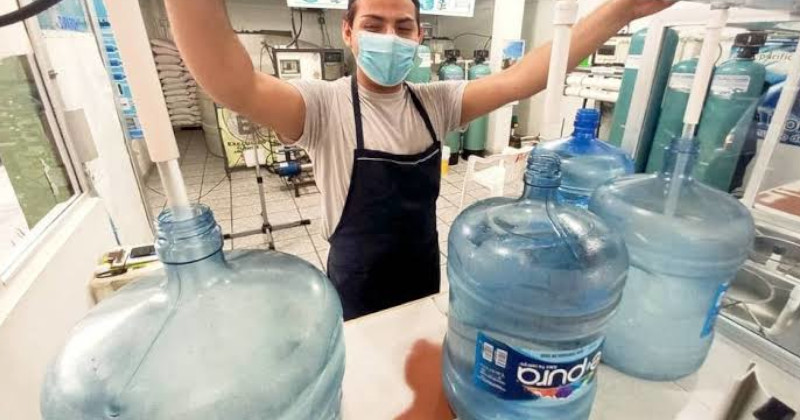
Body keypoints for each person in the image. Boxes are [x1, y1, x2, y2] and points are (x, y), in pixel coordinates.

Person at [165, 0, 672, 320]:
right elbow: (233, 83)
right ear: (348, 32)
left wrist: (620, 11)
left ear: (418, 37)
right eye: (374, 24)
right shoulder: (321, 106)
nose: (389, 36)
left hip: (422, 274)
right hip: (357, 287)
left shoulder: (437, 103)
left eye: (402, 26)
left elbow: (524, 78)